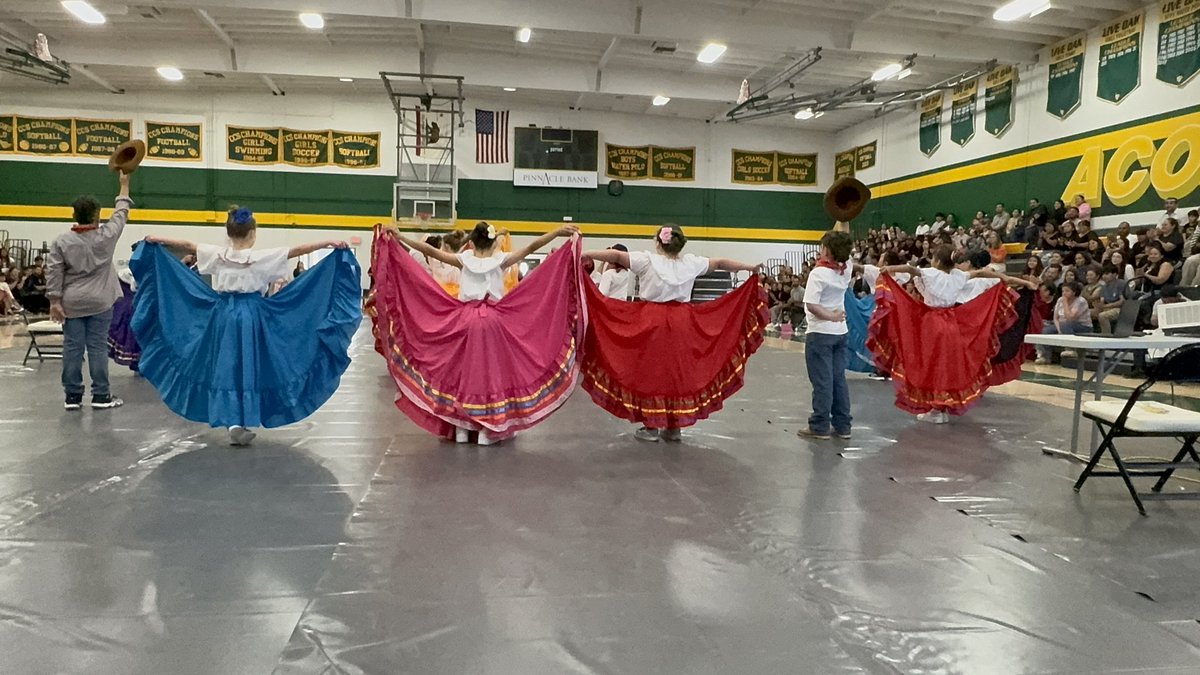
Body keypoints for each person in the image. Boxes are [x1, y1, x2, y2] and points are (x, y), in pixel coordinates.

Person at [136, 206, 361, 446]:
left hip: (222, 315)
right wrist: (327, 242)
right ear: (253, 232)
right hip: (253, 315)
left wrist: (157, 238)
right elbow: (296, 250)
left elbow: (188, 245)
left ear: (228, 232)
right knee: (250, 365)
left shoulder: (217, 254)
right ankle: (242, 418)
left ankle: (233, 421)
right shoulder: (263, 257)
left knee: (226, 366)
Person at [387, 221, 578, 445]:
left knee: (461, 373)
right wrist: (557, 232)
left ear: (471, 242)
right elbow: (532, 247)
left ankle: (461, 429)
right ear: (493, 241)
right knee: (491, 375)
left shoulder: (464, 259)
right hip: (493, 323)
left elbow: (429, 250)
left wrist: (401, 238)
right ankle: (487, 430)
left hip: (464, 320)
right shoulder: (500, 259)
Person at [582, 224, 764, 442]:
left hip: (651, 322)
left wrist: (584, 253)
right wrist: (750, 267)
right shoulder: (691, 263)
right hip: (683, 322)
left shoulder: (647, 260)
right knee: (677, 373)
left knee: (651, 373)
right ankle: (674, 427)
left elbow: (615, 255)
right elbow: (720, 262)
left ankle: (651, 426)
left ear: (658, 242)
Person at [46, 172, 131, 410]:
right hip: (101, 301)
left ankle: (72, 397)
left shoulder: (61, 241)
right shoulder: (107, 236)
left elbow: (53, 272)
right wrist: (124, 185)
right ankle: (101, 395)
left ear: (74, 215)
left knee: (72, 348)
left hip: (71, 302)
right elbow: (121, 213)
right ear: (97, 214)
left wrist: (55, 301)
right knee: (97, 347)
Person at [799, 230, 854, 440]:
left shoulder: (818, 274)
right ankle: (843, 425)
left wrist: (830, 316)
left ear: (828, 251)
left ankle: (820, 425)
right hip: (841, 332)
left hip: (821, 332)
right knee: (838, 379)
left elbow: (812, 305)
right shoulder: (846, 267)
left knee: (822, 380)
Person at [1036, 281, 1091, 364]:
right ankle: (1045, 356)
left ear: (1074, 292)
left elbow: (1070, 317)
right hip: (1063, 326)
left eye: (1067, 291)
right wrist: (1059, 330)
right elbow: (1056, 318)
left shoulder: (1081, 301)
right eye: (1063, 291)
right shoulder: (1060, 300)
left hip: (1082, 326)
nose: (1064, 293)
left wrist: (1065, 302)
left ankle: (1071, 349)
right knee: (1045, 330)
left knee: (1067, 324)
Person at [1094, 264, 1128, 334]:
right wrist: (1098, 306)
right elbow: (1102, 302)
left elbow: (1122, 301)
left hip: (1121, 309)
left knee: (1102, 316)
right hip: (1108, 308)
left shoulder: (1120, 283)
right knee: (1087, 313)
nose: (1104, 276)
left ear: (1115, 274)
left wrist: (1105, 306)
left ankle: (1106, 336)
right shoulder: (1103, 287)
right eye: (1103, 274)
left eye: (1107, 274)